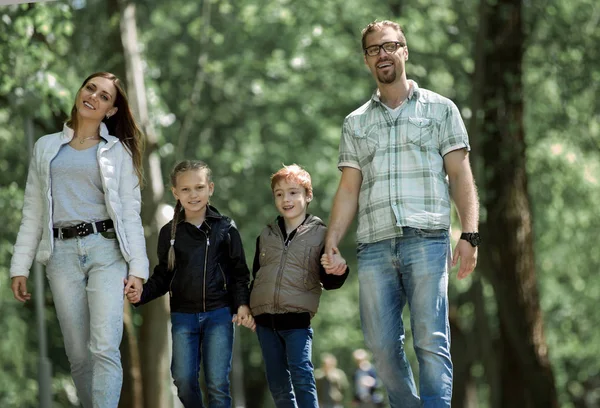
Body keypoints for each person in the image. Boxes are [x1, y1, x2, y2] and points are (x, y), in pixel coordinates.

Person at [322, 20, 480, 407]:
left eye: (390, 46)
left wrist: (469, 234)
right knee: (380, 347)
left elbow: (460, 174)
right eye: (374, 49)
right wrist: (331, 242)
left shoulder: (441, 110)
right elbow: (348, 189)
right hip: (374, 245)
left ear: (405, 51)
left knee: (430, 339)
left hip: (427, 239)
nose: (383, 54)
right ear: (366, 60)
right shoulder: (355, 122)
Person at [9, 72, 148, 408]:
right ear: (79, 90)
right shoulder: (46, 147)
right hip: (61, 255)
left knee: (104, 348)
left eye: (104, 97)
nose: (93, 98)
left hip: (106, 251)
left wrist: (138, 270)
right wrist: (19, 266)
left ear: (111, 111)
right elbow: (33, 212)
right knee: (78, 355)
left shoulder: (117, 152)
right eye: (90, 89)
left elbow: (130, 214)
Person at [126, 160, 253, 408]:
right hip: (183, 316)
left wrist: (242, 305)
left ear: (210, 188)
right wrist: (141, 294)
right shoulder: (168, 233)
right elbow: (163, 275)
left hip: (219, 314)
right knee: (183, 380)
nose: (193, 194)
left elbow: (240, 273)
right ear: (175, 193)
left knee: (218, 384)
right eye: (185, 189)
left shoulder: (225, 228)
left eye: (199, 187)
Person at [249, 164, 349, 408]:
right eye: (280, 194)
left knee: (302, 376)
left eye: (293, 192)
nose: (286, 199)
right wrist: (247, 307)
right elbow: (257, 275)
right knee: (278, 384)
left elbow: (331, 280)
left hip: (297, 321)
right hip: (264, 323)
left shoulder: (321, 235)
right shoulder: (266, 235)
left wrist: (339, 268)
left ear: (308, 196)